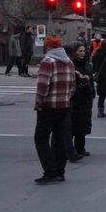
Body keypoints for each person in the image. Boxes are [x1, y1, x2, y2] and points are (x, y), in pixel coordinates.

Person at [33, 35, 76, 184]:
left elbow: (42, 87)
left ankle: (50, 171)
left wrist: (38, 102)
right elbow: (72, 86)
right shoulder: (69, 62)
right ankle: (60, 171)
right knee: (59, 140)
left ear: (48, 47)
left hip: (48, 107)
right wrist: (66, 98)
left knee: (41, 138)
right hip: (64, 106)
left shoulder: (47, 62)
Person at [67, 43, 94, 159]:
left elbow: (91, 80)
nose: (82, 53)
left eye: (83, 51)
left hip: (86, 98)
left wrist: (92, 92)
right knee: (74, 125)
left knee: (83, 124)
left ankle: (81, 148)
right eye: (80, 51)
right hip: (76, 97)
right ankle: (70, 149)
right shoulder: (71, 65)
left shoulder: (87, 65)